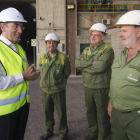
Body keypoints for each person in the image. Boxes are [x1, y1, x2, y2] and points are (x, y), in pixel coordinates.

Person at [0, 7, 40, 140]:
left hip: (22, 107)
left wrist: (29, 74)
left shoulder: (19, 48)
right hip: (4, 113)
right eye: (15, 26)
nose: (20, 31)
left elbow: (19, 72)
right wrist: (23, 76)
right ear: (2, 27)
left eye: (21, 26)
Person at [75, 23, 114, 140]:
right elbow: (77, 64)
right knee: (90, 113)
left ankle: (104, 137)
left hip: (101, 87)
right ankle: (94, 134)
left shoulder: (108, 50)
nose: (93, 37)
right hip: (88, 86)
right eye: (92, 34)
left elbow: (100, 67)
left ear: (103, 37)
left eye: (96, 35)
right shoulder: (87, 50)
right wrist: (91, 63)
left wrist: (85, 67)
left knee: (102, 115)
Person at [107, 10, 140, 140]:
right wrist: (111, 102)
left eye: (124, 31)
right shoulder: (121, 55)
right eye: (120, 31)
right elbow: (115, 80)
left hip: (136, 118)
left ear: (138, 32)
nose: (120, 34)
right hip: (118, 115)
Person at [39, 33, 71, 140]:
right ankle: (48, 131)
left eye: (53, 42)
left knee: (61, 113)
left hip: (58, 90)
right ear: (46, 44)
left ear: (57, 44)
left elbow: (67, 73)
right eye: (49, 42)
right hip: (45, 90)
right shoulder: (42, 57)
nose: (51, 44)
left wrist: (59, 82)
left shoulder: (63, 58)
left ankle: (63, 133)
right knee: (47, 112)